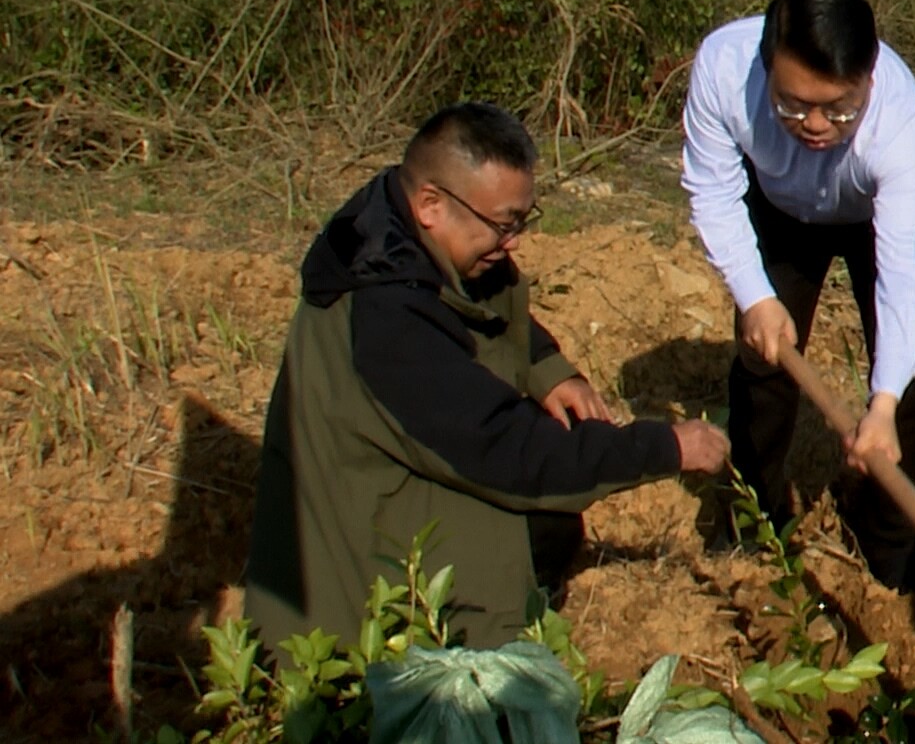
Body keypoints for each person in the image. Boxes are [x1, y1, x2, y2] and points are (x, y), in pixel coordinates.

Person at [245, 102, 729, 652]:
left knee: (552, 525)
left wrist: (547, 370)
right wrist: (663, 446)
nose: (514, 242)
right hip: (349, 603)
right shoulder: (385, 320)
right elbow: (512, 453)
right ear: (432, 204)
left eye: (523, 220)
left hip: (380, 496)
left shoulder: (396, 235)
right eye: (504, 224)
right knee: (535, 527)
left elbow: (490, 307)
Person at [681, 0, 915, 591]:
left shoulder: (900, 125)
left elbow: (906, 275)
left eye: (840, 109)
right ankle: (755, 524)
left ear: (869, 78)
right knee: (762, 360)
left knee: (903, 382)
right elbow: (714, 189)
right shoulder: (723, 69)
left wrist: (879, 407)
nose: (817, 125)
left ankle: (892, 551)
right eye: (793, 106)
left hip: (868, 211)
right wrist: (756, 295)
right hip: (779, 206)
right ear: (766, 68)